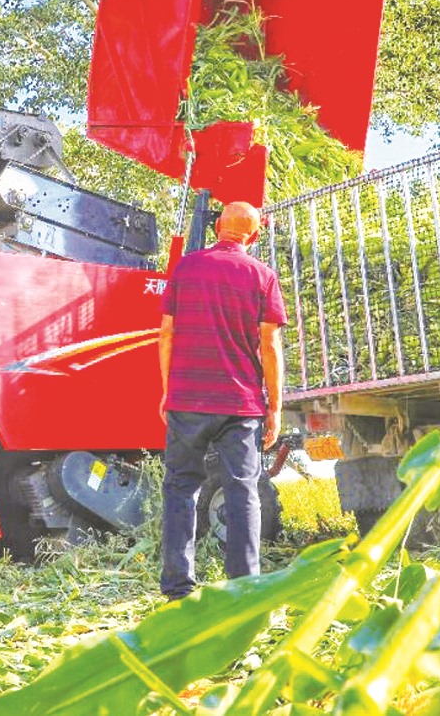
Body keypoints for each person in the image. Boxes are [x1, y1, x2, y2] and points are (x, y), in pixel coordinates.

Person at [156, 200, 286, 601]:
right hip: (240, 403)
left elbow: (166, 333)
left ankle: (178, 588)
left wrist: (168, 390)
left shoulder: (186, 268)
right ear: (254, 235)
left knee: (180, 487)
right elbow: (270, 345)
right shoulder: (262, 275)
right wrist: (275, 407)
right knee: (243, 490)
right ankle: (243, 588)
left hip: (188, 398)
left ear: (217, 229)